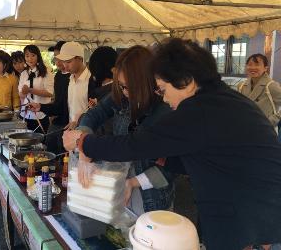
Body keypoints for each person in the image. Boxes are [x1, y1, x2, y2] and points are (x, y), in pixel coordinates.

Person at [63, 38, 281, 250]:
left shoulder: (199, 110)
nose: (164, 98)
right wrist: (162, 156)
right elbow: (204, 157)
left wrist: (84, 142)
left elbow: (135, 145)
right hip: (250, 211)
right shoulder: (224, 99)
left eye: (163, 89)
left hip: (250, 219)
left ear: (186, 80)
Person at [76, 46, 174, 215]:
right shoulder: (121, 96)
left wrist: (132, 182)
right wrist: (84, 145)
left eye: (128, 87)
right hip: (120, 182)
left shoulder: (165, 109)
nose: (124, 92)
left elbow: (171, 167)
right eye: (120, 85)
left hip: (151, 196)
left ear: (146, 82)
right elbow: (92, 115)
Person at [29, 42, 96, 152]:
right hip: (72, 136)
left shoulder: (91, 80)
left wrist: (79, 121)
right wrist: (40, 107)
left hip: (88, 137)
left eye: (69, 62)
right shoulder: (70, 79)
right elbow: (61, 107)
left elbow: (95, 111)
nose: (65, 66)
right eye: (64, 62)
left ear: (80, 59)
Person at [237, 53, 281, 128]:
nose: (253, 67)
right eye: (250, 64)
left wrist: (273, 120)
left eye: (257, 65)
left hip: (264, 129)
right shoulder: (241, 85)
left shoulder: (271, 86)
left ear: (265, 68)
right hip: (244, 127)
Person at [18, 45, 54, 133]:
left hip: (41, 114)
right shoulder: (24, 74)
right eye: (27, 56)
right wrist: (23, 91)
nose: (30, 58)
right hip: (25, 114)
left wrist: (30, 90)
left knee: (40, 142)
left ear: (38, 56)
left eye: (33, 55)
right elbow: (21, 95)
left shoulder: (46, 72)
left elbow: (49, 93)